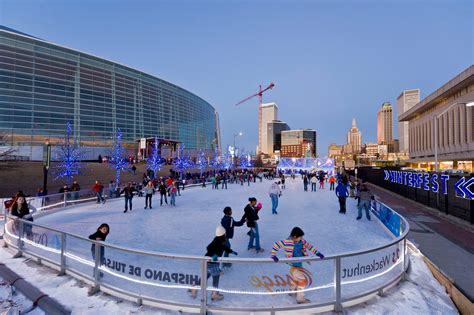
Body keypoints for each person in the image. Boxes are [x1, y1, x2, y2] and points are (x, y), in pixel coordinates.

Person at [271, 227, 324, 304]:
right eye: (300, 237)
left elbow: (309, 247)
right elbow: (276, 245)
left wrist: (317, 253)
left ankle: (291, 291)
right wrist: (273, 255)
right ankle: (300, 299)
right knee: (303, 281)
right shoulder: (287, 241)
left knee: (296, 279)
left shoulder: (302, 241)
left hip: (299, 265)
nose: (302, 238)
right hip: (294, 266)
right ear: (295, 237)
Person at [190, 226, 237, 300]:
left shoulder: (216, 240)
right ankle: (214, 294)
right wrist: (214, 255)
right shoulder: (219, 242)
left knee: (204, 277)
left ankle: (194, 288)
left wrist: (231, 251)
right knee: (216, 278)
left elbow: (212, 247)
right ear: (223, 234)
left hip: (207, 262)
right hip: (213, 264)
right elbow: (214, 248)